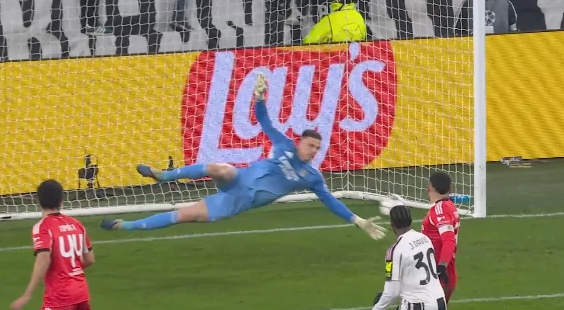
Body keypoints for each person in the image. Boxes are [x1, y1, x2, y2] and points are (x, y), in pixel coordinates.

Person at [101, 74, 385, 240]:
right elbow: (264, 120)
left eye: (317, 148)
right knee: (221, 168)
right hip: (238, 178)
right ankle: (164, 175)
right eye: (311, 145)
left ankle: (128, 225)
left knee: (184, 216)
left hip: (237, 201)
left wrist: (357, 220)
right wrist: (259, 98)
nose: (313, 151)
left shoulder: (311, 177)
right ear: (300, 142)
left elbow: (330, 201)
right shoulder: (283, 144)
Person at [10, 179, 95, 310]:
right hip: (80, 292)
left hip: (59, 296)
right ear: (61, 200)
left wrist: (27, 294)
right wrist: (69, 267)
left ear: (38, 200)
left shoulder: (42, 227)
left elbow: (44, 259)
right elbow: (90, 259)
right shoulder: (76, 224)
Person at [360, 205, 447, 310]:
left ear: (392, 224)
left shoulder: (395, 251)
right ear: (410, 220)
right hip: (439, 303)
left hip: (417, 307)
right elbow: (416, 276)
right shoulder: (424, 239)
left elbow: (391, 293)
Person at [420, 171, 460, 303]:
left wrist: (441, 267)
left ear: (429, 187)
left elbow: (449, 241)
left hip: (437, 274)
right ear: (450, 189)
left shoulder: (440, 210)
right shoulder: (449, 207)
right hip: (445, 272)